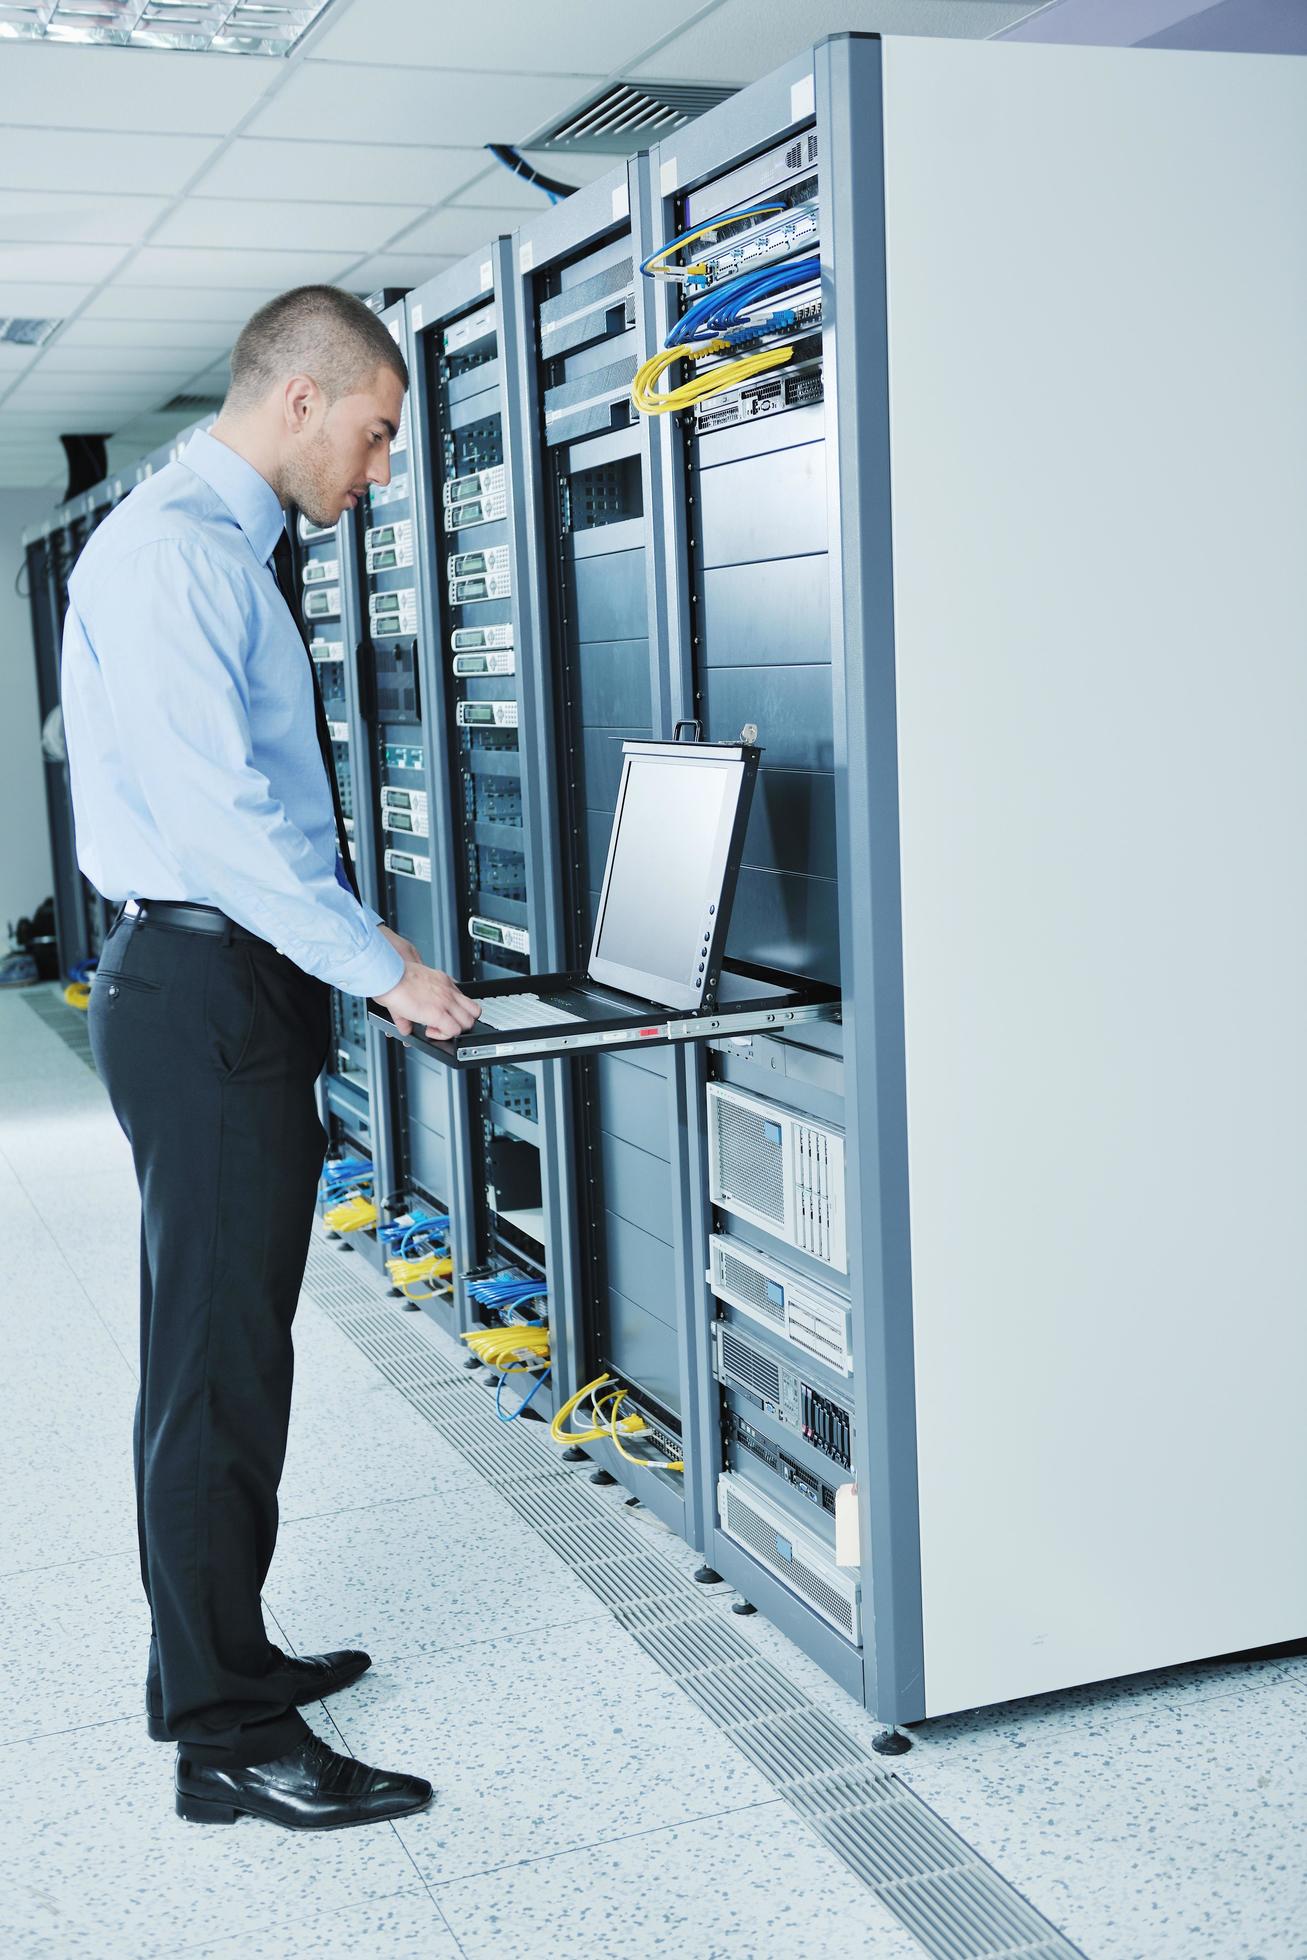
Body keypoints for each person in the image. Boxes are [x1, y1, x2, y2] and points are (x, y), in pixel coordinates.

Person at [61, 285, 480, 1831]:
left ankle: (218, 1662)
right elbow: (222, 828)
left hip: (217, 983)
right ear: (302, 398)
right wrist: (389, 972)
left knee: (223, 1355)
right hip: (208, 987)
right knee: (215, 1374)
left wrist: (352, 952)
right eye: (374, 434)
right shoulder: (179, 555)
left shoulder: (205, 548)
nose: (377, 470)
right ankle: (227, 1738)